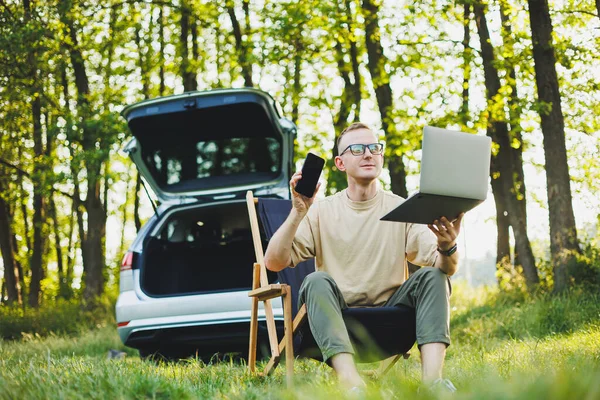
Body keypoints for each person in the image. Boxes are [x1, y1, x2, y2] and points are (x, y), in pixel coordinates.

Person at [264, 122, 462, 392]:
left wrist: (447, 245)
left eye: (374, 148)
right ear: (340, 163)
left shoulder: (402, 209)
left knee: (432, 276)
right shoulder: (322, 212)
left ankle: (432, 384)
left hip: (392, 325)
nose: (368, 154)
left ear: (381, 156)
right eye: (357, 149)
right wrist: (298, 211)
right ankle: (352, 385)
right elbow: (274, 262)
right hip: (336, 325)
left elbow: (445, 269)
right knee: (315, 280)